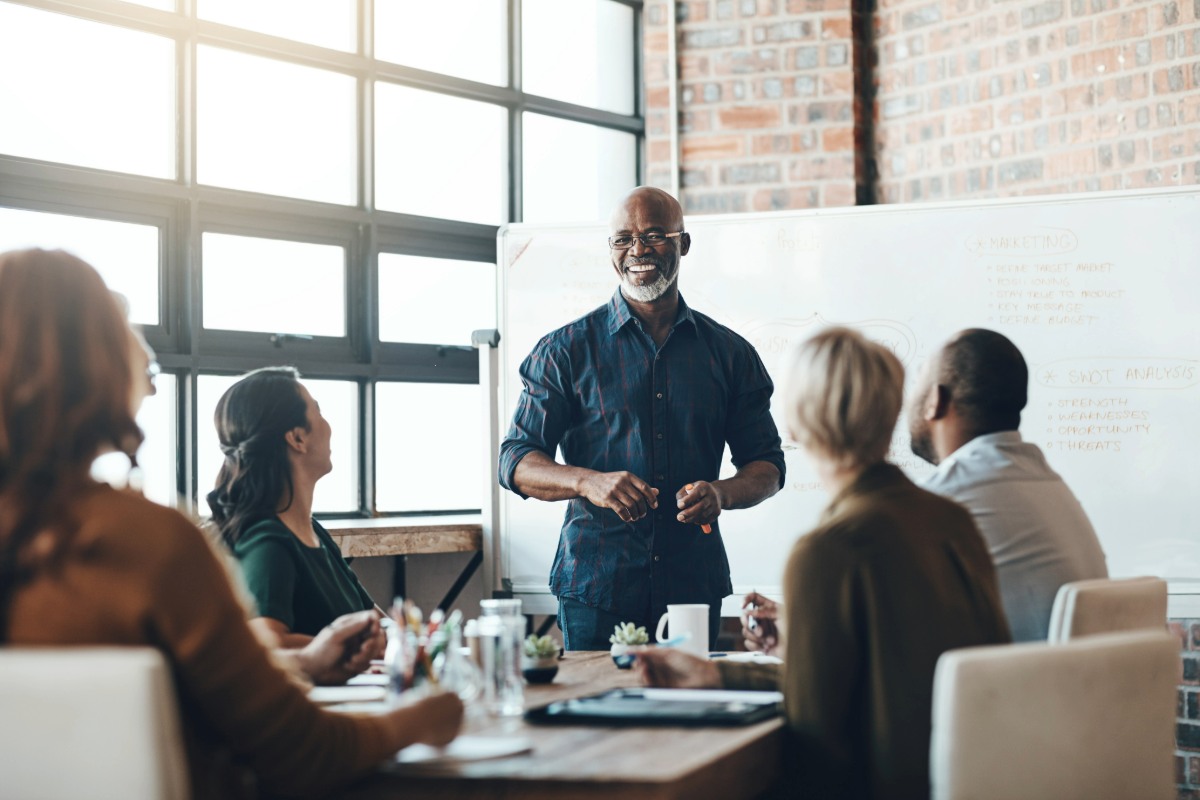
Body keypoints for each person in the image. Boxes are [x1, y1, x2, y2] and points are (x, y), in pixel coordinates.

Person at [0, 248, 461, 799]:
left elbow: (186, 692)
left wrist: (305, 665)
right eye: (126, 327)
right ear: (94, 363)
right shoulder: (146, 543)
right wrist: (428, 716)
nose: (147, 354)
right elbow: (306, 755)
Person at [636, 327, 1010, 800]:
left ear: (794, 425)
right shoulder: (953, 519)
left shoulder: (828, 551)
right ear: (893, 412)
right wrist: (721, 674)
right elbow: (878, 679)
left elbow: (816, 744)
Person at [498, 186, 786, 650]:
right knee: (595, 720)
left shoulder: (730, 355)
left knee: (689, 719)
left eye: (654, 236)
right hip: (597, 589)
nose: (638, 251)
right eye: (622, 239)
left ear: (683, 244)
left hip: (692, 587)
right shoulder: (564, 351)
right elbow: (514, 460)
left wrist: (721, 493)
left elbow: (768, 466)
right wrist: (586, 481)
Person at [907, 328, 1107, 641]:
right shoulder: (1050, 485)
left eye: (917, 381)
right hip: (1069, 684)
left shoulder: (940, 500)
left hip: (1005, 687)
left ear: (935, 400)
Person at [207, 367, 385, 653]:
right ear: (297, 439)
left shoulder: (314, 532)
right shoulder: (267, 541)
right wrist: (345, 649)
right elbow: (266, 642)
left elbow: (376, 621)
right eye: (319, 412)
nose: (329, 426)